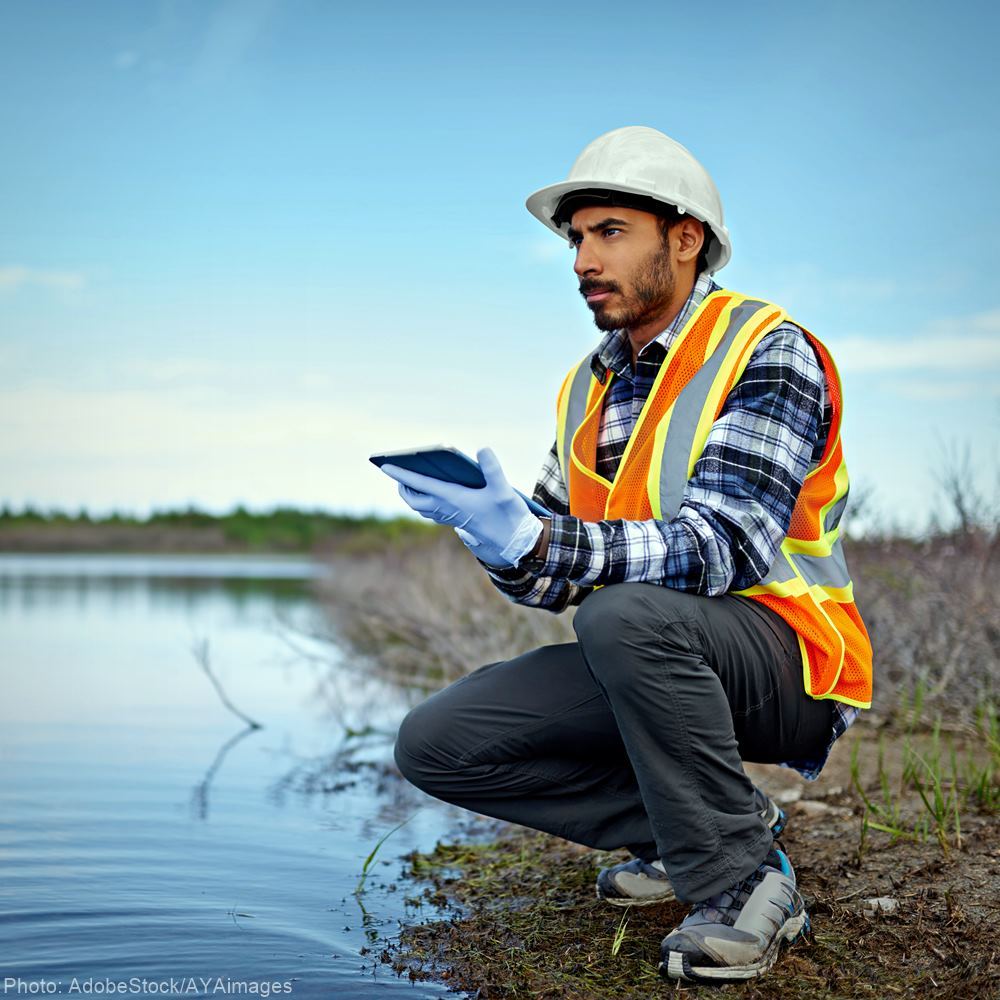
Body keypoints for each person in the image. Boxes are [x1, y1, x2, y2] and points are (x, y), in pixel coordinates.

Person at [378, 125, 873, 985]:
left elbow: (724, 546)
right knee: (438, 742)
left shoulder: (766, 348)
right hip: (650, 651)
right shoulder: (586, 386)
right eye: (576, 238)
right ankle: (698, 828)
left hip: (791, 663)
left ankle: (744, 882)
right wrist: (496, 534)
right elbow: (551, 576)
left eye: (610, 232)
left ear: (685, 239)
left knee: (620, 614)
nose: (583, 260)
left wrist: (544, 539)